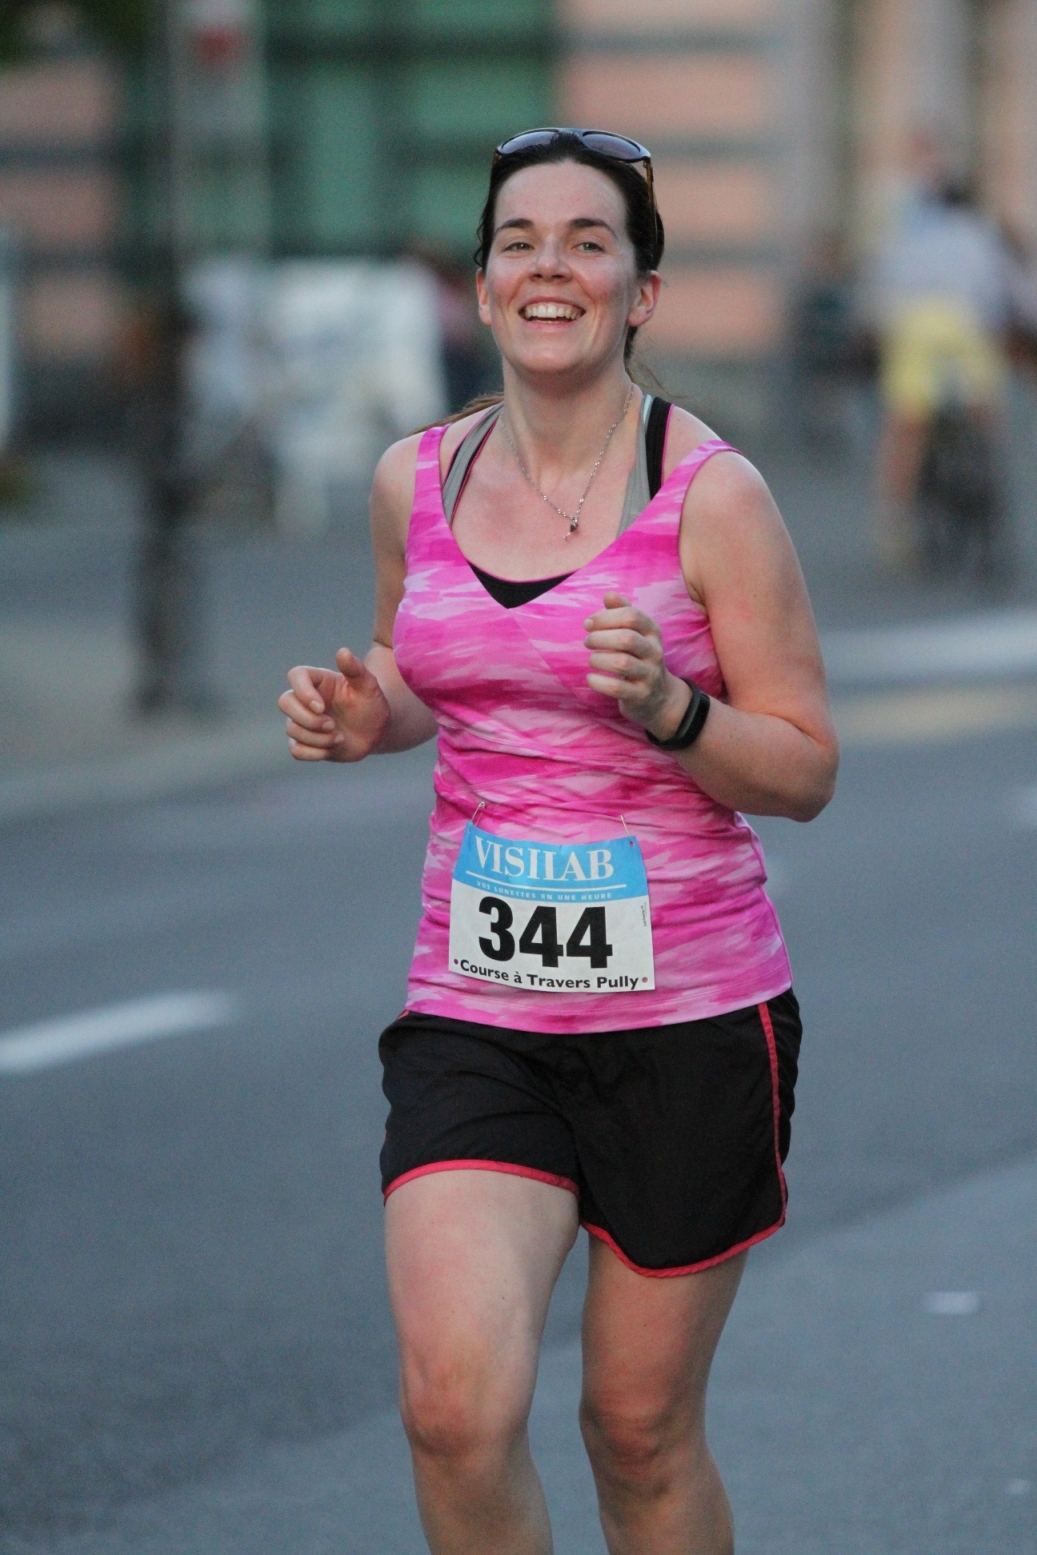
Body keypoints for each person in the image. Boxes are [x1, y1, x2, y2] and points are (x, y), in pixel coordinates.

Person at [279, 127, 838, 1555]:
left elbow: (802, 766)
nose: (550, 267)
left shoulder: (713, 494)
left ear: (640, 291)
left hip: (689, 1020)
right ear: (480, 283)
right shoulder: (415, 478)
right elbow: (430, 665)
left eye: (589, 242)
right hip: (479, 1009)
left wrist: (670, 707)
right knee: (453, 1409)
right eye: (519, 240)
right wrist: (370, 711)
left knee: (636, 1430)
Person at [867, 175, 1025, 569]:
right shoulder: (982, 236)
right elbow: (1009, 293)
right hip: (967, 327)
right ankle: (991, 471)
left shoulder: (909, 236)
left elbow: (880, 293)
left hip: (915, 328)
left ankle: (895, 521)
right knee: (985, 411)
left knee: (907, 426)